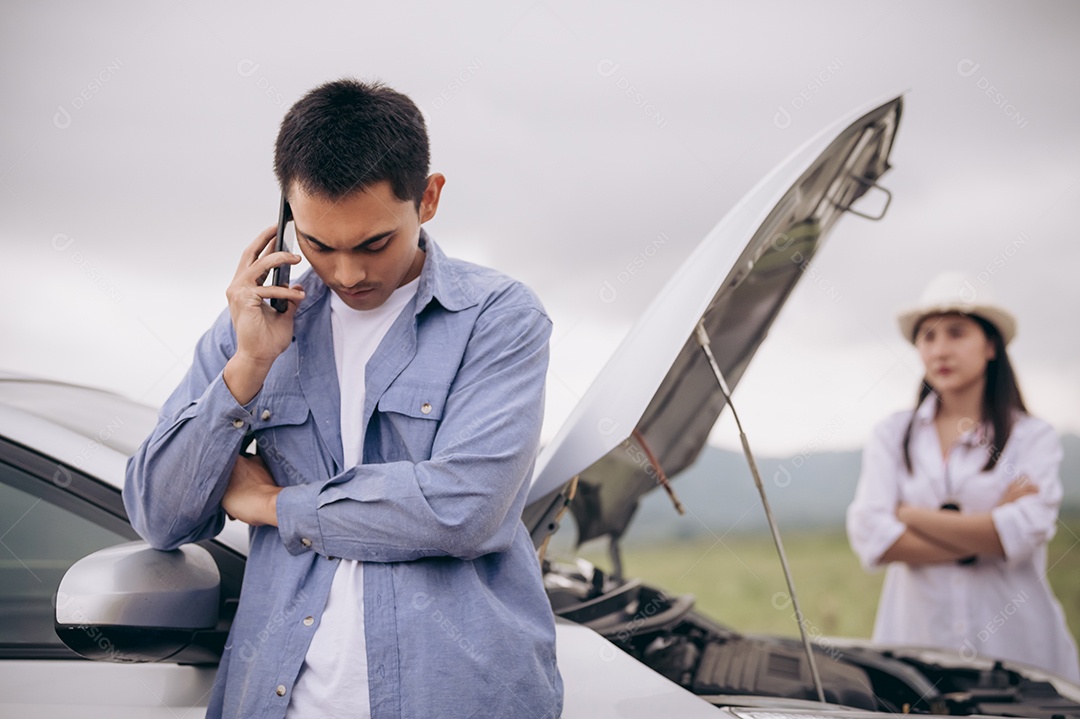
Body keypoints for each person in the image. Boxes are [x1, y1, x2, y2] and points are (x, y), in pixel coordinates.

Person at [125, 78, 563, 718]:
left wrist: (276, 504)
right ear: (286, 215)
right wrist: (248, 366)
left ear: (430, 198)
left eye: (374, 243)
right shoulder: (251, 327)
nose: (348, 273)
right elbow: (160, 516)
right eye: (319, 245)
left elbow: (466, 508)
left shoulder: (496, 317)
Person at [846, 271, 1079, 682]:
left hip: (1018, 655)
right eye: (928, 337)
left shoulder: (1032, 437)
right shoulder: (892, 434)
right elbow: (871, 536)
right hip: (916, 655)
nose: (940, 350)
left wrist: (911, 515)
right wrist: (986, 529)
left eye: (956, 333)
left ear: (991, 345)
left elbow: (1026, 530)